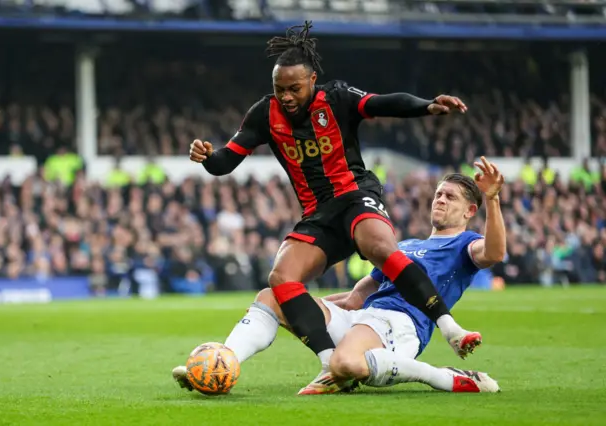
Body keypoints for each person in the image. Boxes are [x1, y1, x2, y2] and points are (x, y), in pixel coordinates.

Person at [189, 20, 481, 392]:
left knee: (379, 248)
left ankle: (448, 326)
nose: (287, 97)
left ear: (312, 81)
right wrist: (207, 156)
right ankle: (330, 365)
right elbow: (225, 161)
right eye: (279, 89)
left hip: (355, 194)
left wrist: (427, 106)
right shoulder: (264, 114)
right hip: (318, 215)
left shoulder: (337, 98)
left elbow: (383, 103)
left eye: (294, 88)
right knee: (280, 279)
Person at [174, 162, 506, 395]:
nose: (441, 199)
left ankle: (445, 378)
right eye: (439, 193)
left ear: (469, 211)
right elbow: (355, 297)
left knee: (345, 363)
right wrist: (299, 304)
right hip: (363, 317)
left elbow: (494, 253)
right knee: (271, 297)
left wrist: (491, 198)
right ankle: (222, 364)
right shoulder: (405, 246)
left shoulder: (464, 244)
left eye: (451, 197)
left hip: (399, 326)